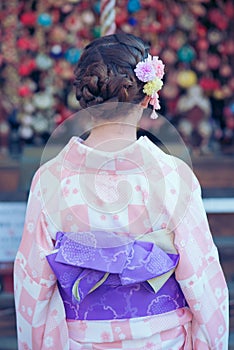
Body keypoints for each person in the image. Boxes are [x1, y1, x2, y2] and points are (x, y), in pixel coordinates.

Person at [14, 33, 229, 350]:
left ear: (85, 99)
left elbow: (32, 283)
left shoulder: (50, 179)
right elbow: (201, 278)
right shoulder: (173, 177)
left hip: (81, 340)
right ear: (147, 97)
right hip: (162, 341)